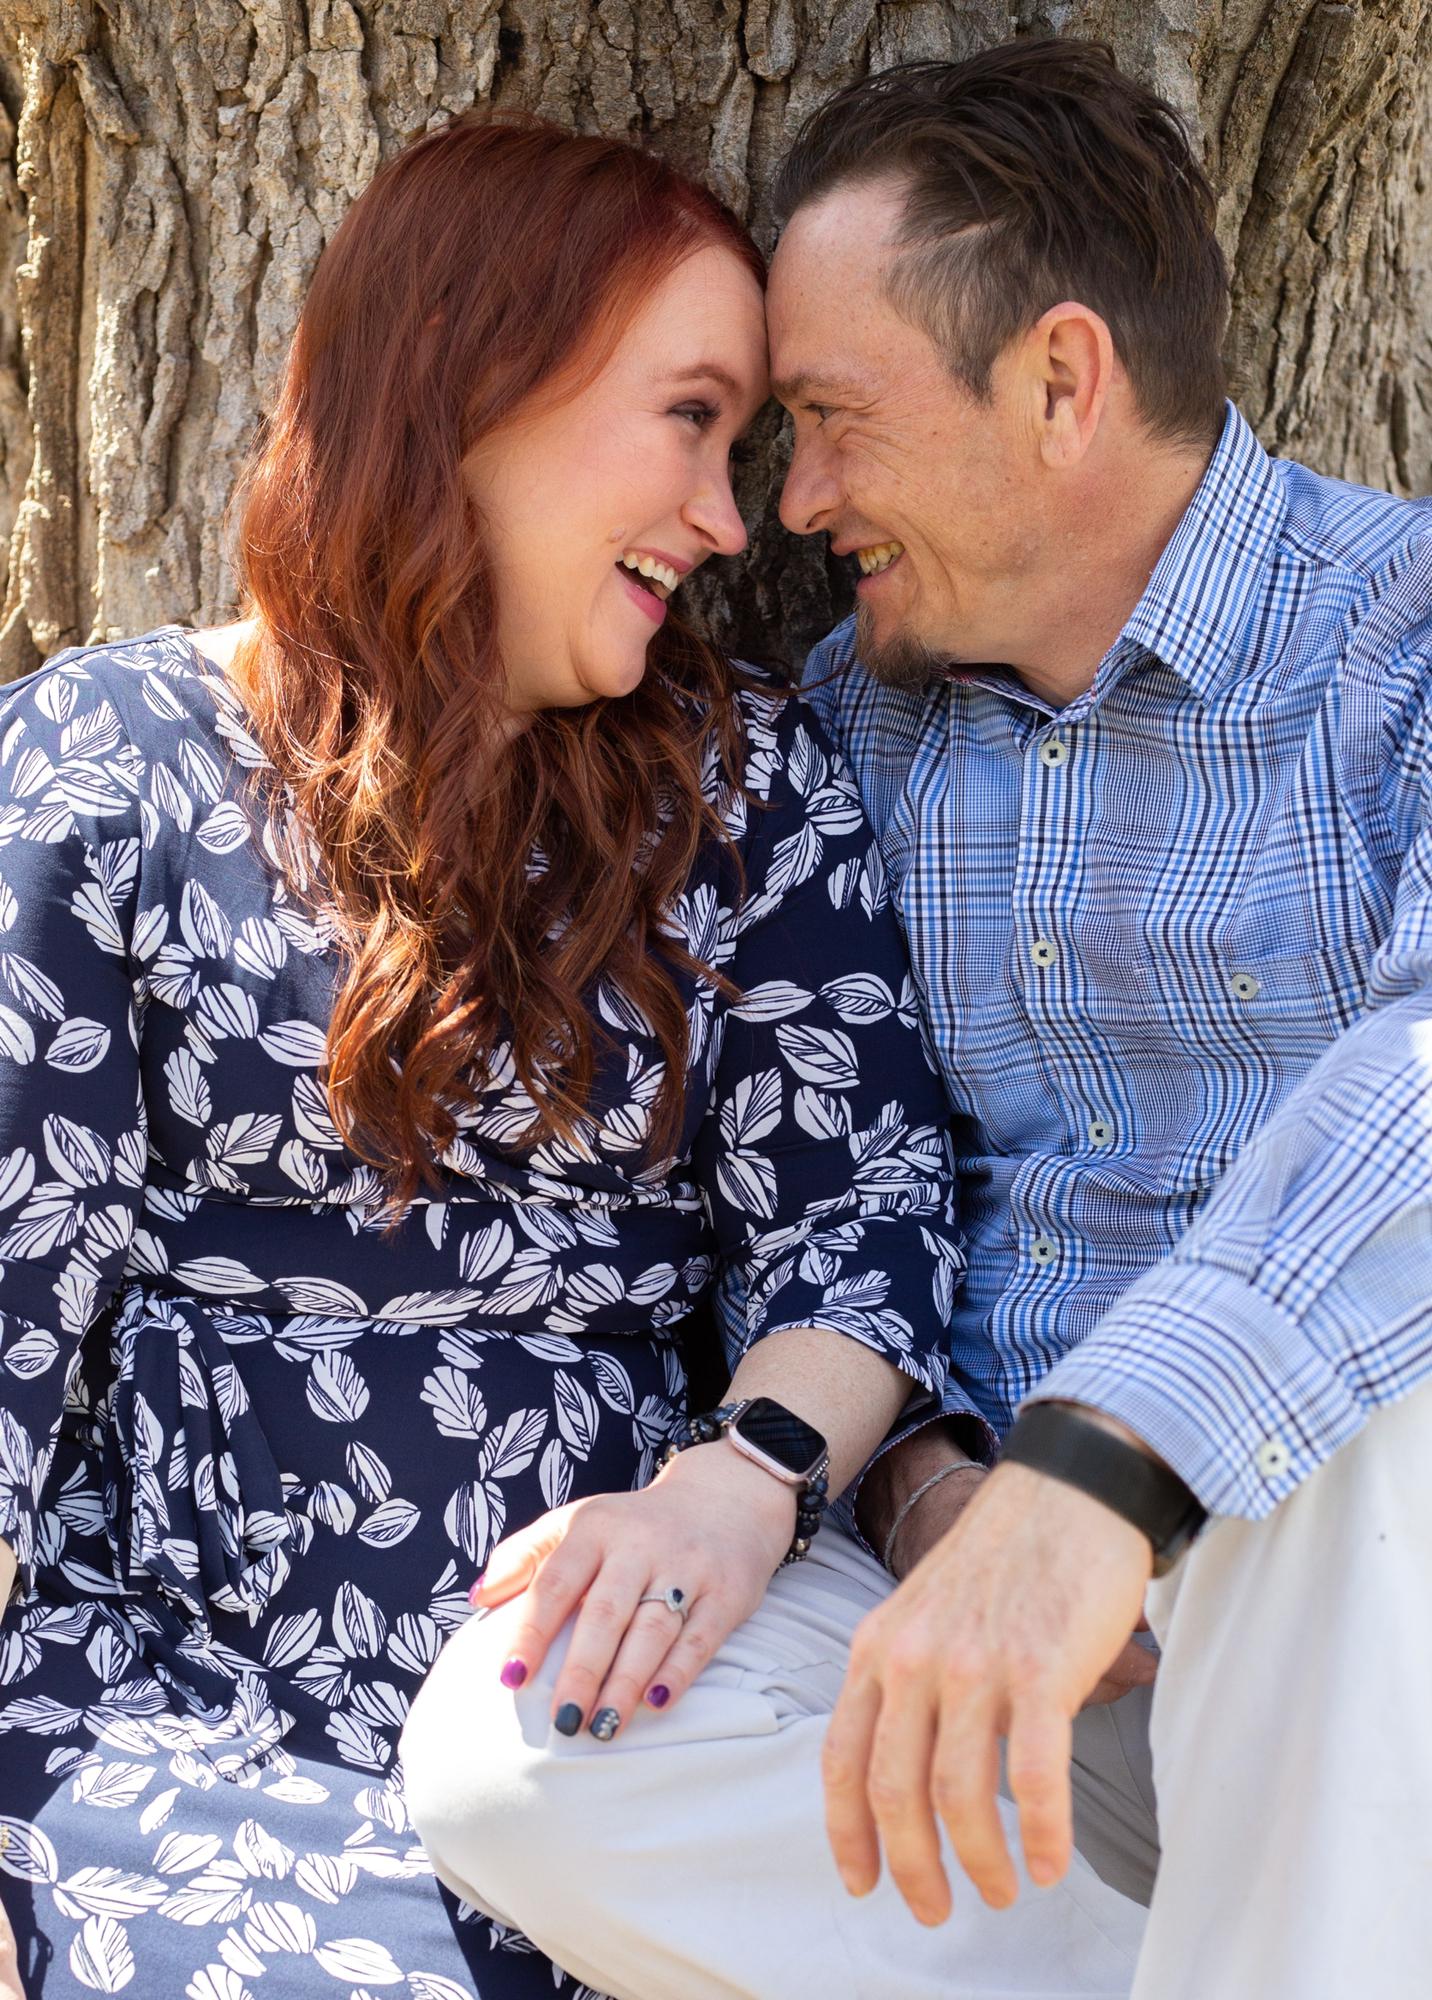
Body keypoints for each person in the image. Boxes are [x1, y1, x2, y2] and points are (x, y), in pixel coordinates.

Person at [0, 108, 1139, 2000]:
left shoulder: (739, 783)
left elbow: (858, 1225)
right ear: (476, 383)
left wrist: (742, 1481)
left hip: (632, 1700)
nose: (730, 521)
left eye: (744, 445)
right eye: (689, 419)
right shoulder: (106, 767)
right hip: (188, 1700)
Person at [407, 36, 1432, 2000]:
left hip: (1358, 1629)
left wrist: (1105, 1474)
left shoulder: (1398, 646)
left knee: (1384, 1433)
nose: (791, 504)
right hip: (1011, 1662)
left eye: (828, 420)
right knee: (522, 1753)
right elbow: (835, 1205)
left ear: (1058, 380)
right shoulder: (845, 736)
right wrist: (936, 1486)